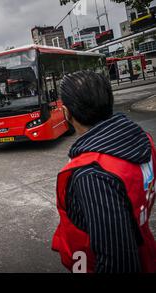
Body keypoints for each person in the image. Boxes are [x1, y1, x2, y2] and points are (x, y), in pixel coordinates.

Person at [52, 71, 156, 273]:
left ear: (66, 113)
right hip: (145, 249)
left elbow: (117, 261)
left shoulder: (92, 174)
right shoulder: (142, 140)